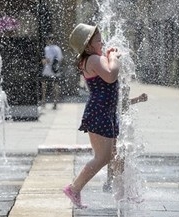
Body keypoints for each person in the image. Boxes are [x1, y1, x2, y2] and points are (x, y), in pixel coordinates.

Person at [63, 23, 121, 208]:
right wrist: (114, 58)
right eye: (98, 40)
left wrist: (107, 56)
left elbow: (104, 69)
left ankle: (125, 192)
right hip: (101, 111)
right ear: (88, 45)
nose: (101, 41)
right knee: (102, 157)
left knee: (114, 154)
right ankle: (74, 187)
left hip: (104, 111)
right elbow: (111, 75)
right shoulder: (94, 60)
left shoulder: (93, 59)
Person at [102, 92, 148, 193]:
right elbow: (119, 103)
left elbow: (122, 103)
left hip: (116, 123)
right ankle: (112, 180)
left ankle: (116, 180)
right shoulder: (110, 83)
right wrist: (138, 99)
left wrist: (137, 99)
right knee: (113, 153)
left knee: (118, 152)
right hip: (110, 122)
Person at [40, 44, 63, 109]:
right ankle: (54, 103)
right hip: (55, 71)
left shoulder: (46, 48)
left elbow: (43, 61)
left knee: (44, 87)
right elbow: (60, 59)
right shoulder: (57, 48)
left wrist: (48, 61)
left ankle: (44, 102)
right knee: (55, 87)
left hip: (47, 71)